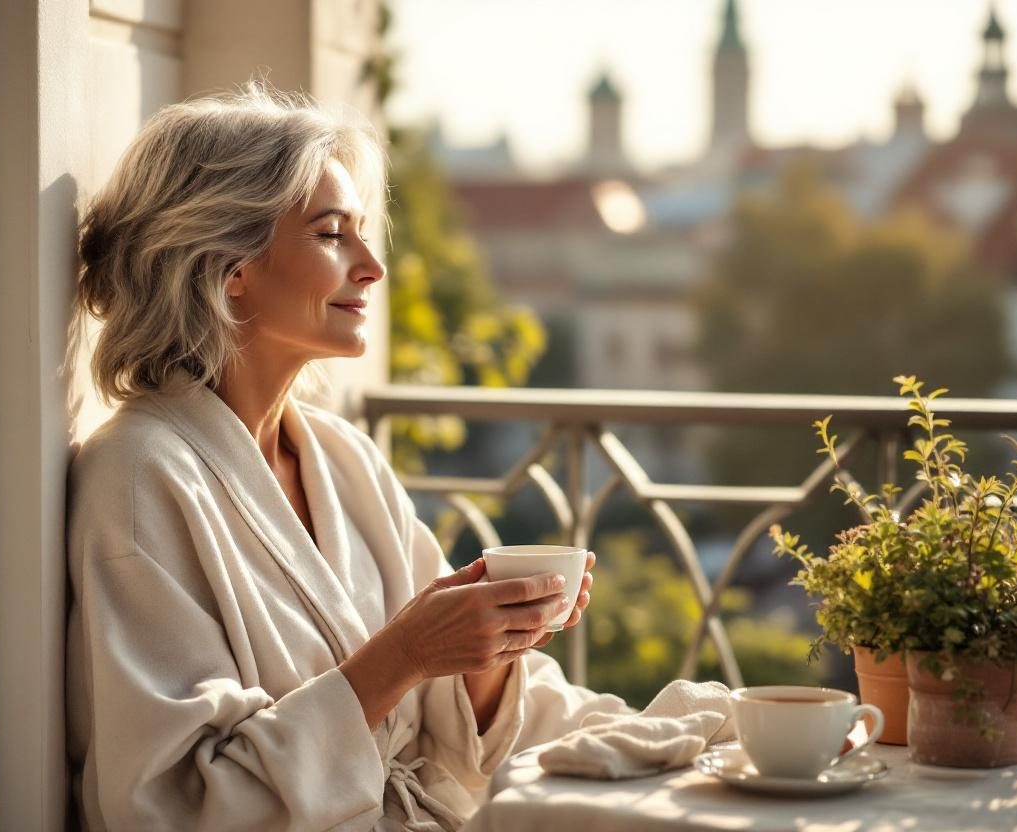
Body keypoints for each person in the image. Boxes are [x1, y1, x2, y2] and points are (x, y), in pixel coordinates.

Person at [65, 85, 631, 831]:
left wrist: (489, 649)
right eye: (333, 235)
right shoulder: (140, 480)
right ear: (230, 269)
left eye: (363, 234)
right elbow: (173, 805)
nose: (372, 268)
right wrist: (402, 656)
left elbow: (450, 719)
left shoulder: (341, 458)